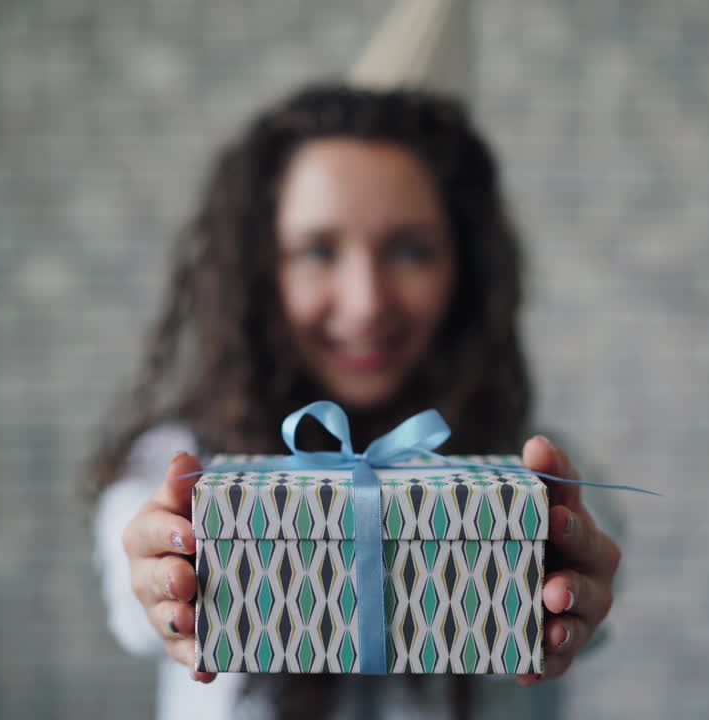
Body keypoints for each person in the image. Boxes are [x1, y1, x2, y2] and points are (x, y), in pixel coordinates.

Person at [87, 84, 623, 720]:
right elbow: (135, 603)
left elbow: (597, 590)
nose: (366, 302)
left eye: (409, 250)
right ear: (264, 272)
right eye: (318, 250)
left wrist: (573, 594)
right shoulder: (180, 469)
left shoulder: (542, 477)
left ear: (466, 267)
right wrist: (161, 581)